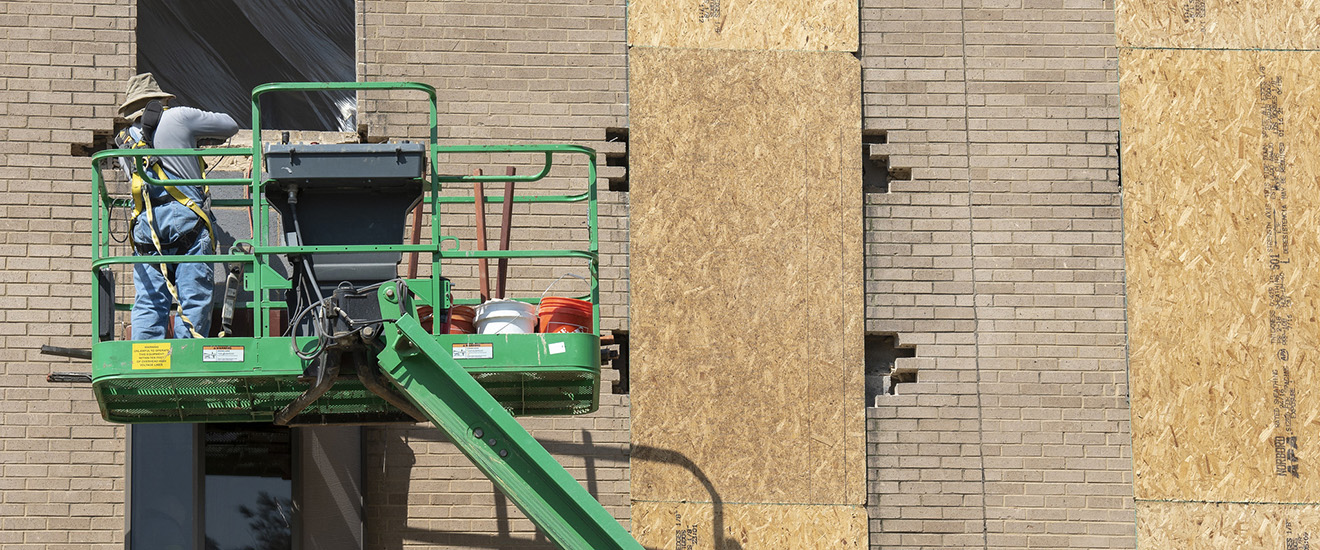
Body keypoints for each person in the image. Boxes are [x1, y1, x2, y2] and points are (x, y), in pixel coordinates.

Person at [115, 73, 239, 340]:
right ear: (160, 100)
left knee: (149, 301)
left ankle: (146, 366)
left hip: (146, 226)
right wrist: (195, 138)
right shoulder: (178, 116)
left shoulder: (124, 140)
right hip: (186, 219)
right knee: (193, 298)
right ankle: (188, 361)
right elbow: (230, 125)